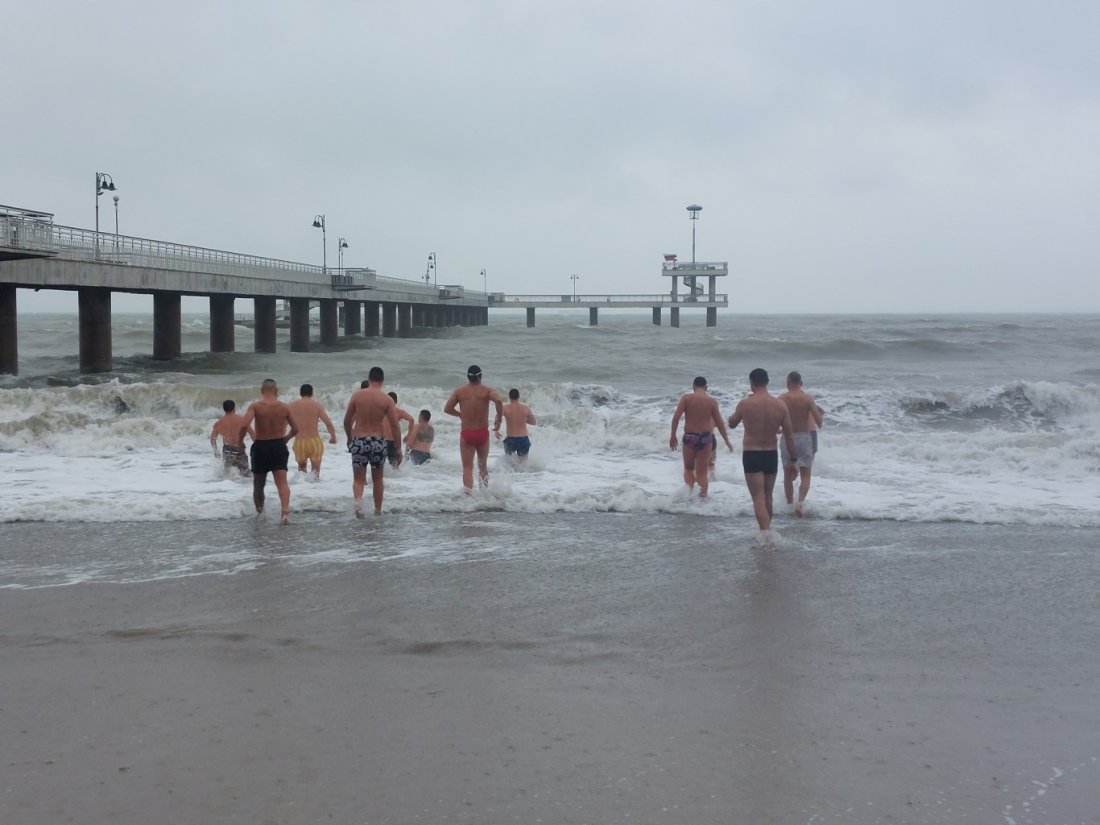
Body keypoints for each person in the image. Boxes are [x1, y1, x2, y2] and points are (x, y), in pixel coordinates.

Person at [728, 368, 796, 540]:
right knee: (768, 497)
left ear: (752, 383)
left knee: (758, 497)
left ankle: (766, 536)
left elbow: (732, 424)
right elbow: (789, 435)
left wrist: (734, 416)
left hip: (752, 454)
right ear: (767, 382)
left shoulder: (746, 404)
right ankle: (766, 532)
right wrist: (793, 460)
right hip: (770, 455)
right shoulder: (780, 405)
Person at [344, 366, 402, 515]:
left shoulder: (357, 396)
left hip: (359, 440)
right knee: (377, 479)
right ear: (382, 381)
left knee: (358, 479)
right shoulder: (386, 399)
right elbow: (395, 426)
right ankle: (377, 511)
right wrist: (398, 448)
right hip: (378, 441)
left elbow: (347, 420)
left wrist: (350, 438)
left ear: (369, 379)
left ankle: (358, 507)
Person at [238, 379, 298, 523]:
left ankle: (260, 513)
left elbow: (245, 424)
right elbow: (296, 429)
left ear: (262, 390)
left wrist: (240, 441)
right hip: (278, 445)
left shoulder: (255, 406)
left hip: (261, 446)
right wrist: (287, 438)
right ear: (276, 391)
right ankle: (284, 511)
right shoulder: (284, 407)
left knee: (259, 484)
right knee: (282, 482)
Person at [669, 376, 734, 498]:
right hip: (705, 439)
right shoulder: (711, 401)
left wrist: (673, 436)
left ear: (693, 386)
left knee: (688, 469)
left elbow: (676, 418)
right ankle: (702, 501)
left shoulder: (686, 399)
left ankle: (689, 496)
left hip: (689, 437)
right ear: (706, 388)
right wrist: (727, 441)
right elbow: (719, 423)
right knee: (702, 474)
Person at [443, 364, 503, 490]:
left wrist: (460, 414)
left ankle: (468, 497)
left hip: (467, 433)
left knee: (467, 468)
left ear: (468, 377)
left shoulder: (459, 391)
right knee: (483, 466)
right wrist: (499, 418)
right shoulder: (487, 391)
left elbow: (447, 409)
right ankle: (484, 494)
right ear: (480, 376)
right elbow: (498, 401)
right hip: (482, 433)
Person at [779, 371, 825, 516]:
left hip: (788, 438)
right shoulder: (808, 399)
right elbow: (819, 422)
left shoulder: (781, 398)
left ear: (788, 383)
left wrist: (779, 429)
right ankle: (800, 503)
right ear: (801, 383)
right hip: (804, 438)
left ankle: (789, 505)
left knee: (787, 475)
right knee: (805, 474)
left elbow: (774, 419)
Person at [288, 383, 337, 478]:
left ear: (300, 393)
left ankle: (303, 491)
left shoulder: (292, 406)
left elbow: (283, 425)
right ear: (311, 393)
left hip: (300, 443)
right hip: (314, 442)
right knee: (315, 474)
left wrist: (282, 440)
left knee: (301, 474)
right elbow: (328, 423)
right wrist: (333, 438)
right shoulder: (316, 405)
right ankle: (315, 490)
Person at [210, 399, 254, 477]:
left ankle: (225, 487)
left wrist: (216, 450)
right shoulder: (242, 420)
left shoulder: (218, 423)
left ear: (224, 409)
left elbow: (213, 439)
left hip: (227, 450)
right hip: (239, 449)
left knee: (226, 474)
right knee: (246, 475)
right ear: (234, 408)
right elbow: (253, 435)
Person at [495, 388, 537, 461]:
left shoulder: (505, 408)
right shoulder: (525, 408)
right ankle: (523, 473)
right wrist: (522, 420)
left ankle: (511, 473)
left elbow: (497, 417)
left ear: (509, 396)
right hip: (523, 439)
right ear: (518, 396)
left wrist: (496, 430)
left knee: (509, 463)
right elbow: (533, 422)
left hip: (511, 439)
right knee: (523, 463)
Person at [384, 391, 416, 469]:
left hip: (382, 441)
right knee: (395, 466)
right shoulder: (399, 412)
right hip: (393, 442)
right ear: (396, 401)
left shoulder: (380, 411)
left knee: (379, 465)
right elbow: (411, 420)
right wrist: (409, 435)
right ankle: (397, 480)